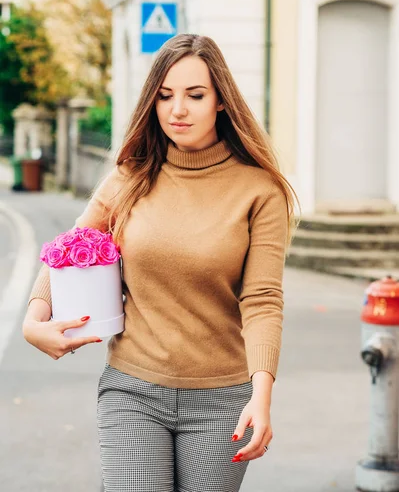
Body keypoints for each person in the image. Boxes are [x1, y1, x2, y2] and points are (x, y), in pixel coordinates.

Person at [23, 33, 299, 492]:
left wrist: (262, 393)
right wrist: (35, 319)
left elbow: (263, 300)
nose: (177, 110)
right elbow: (69, 248)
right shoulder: (129, 177)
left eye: (195, 95)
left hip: (222, 399)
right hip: (132, 389)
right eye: (165, 96)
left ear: (222, 102)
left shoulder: (260, 191)